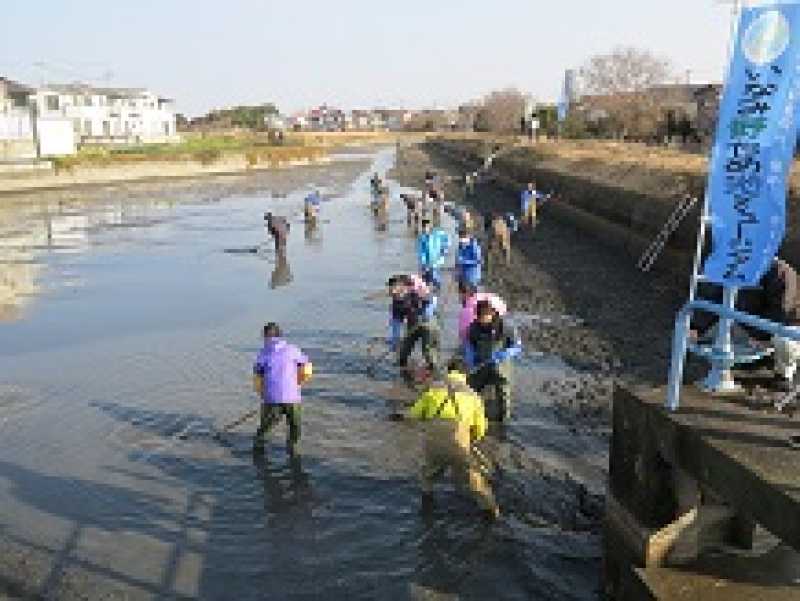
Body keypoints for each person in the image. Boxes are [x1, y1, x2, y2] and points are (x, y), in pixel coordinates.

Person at [405, 356, 499, 518]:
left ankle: (427, 501)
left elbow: (414, 415)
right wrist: (470, 441)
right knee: (475, 481)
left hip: (432, 443)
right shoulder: (474, 396)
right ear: (466, 375)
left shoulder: (432, 390)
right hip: (459, 444)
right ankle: (491, 512)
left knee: (429, 473)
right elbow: (481, 429)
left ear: (448, 372)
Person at [252, 322, 313, 454]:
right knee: (295, 426)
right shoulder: (293, 349)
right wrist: (299, 382)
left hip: (272, 398)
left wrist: (263, 394)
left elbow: (257, 376)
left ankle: (258, 447)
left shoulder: (263, 353)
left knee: (266, 426)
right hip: (292, 397)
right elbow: (307, 368)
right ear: (280, 336)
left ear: (265, 337)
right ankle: (293, 449)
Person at [465, 300, 522, 421]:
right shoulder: (474, 327)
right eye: (480, 315)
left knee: (503, 393)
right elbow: (469, 344)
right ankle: (471, 414)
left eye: (485, 315)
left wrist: (506, 353)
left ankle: (504, 418)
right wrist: (470, 355)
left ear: (493, 313)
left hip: (500, 366)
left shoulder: (505, 326)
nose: (482, 319)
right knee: (470, 389)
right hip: (481, 364)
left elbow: (517, 346)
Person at [395, 274, 440, 379]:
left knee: (428, 352)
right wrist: (395, 338)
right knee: (404, 350)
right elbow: (396, 320)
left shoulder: (419, 290)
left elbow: (432, 300)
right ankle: (403, 375)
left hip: (427, 323)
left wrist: (427, 312)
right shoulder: (396, 300)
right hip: (412, 323)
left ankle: (434, 376)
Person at [457, 281, 508, 349]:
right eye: (483, 314)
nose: (484, 317)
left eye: (487, 314)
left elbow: (504, 339)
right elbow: (471, 339)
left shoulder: (499, 324)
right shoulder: (474, 327)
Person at [417, 219, 451, 291]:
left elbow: (446, 239)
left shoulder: (437, 234)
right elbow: (421, 251)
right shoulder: (422, 237)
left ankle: (436, 289)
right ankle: (429, 290)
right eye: (424, 227)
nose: (425, 229)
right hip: (426, 261)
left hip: (436, 260)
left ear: (430, 227)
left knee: (434, 275)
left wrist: (445, 249)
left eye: (426, 227)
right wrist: (423, 263)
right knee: (426, 277)